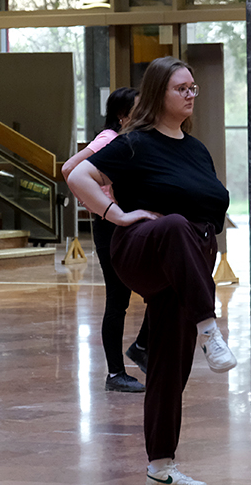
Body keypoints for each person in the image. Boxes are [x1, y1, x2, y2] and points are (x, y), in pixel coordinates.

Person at [66, 56, 235, 485]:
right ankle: (209, 329)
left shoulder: (196, 149)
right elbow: (76, 174)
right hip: (142, 249)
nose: (191, 95)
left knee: (170, 364)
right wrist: (116, 214)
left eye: (194, 88)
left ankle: (161, 467)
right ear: (159, 93)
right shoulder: (134, 143)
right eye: (182, 88)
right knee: (175, 224)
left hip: (187, 263)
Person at [62, 86, 150, 393]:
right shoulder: (108, 139)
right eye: (138, 109)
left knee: (159, 288)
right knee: (118, 299)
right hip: (110, 225)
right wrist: (97, 202)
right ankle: (116, 373)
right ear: (122, 115)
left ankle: (141, 348)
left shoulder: (131, 140)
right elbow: (69, 168)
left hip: (127, 224)